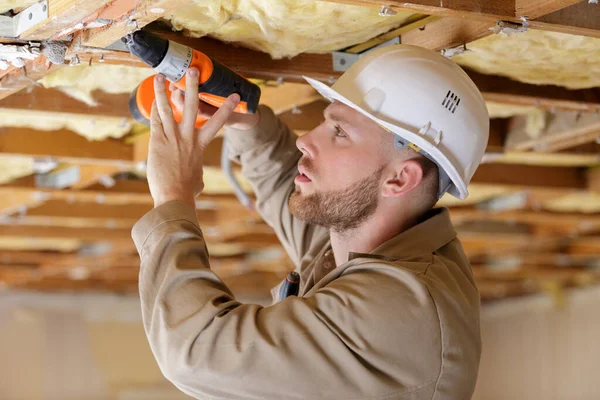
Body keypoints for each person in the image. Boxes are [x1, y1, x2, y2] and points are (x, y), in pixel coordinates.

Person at [132, 45, 490, 399]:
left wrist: (173, 196)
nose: (305, 140)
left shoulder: (400, 308)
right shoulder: (370, 242)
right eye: (326, 123)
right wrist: (245, 121)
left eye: (340, 133)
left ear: (399, 179)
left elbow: (197, 353)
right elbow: (293, 193)